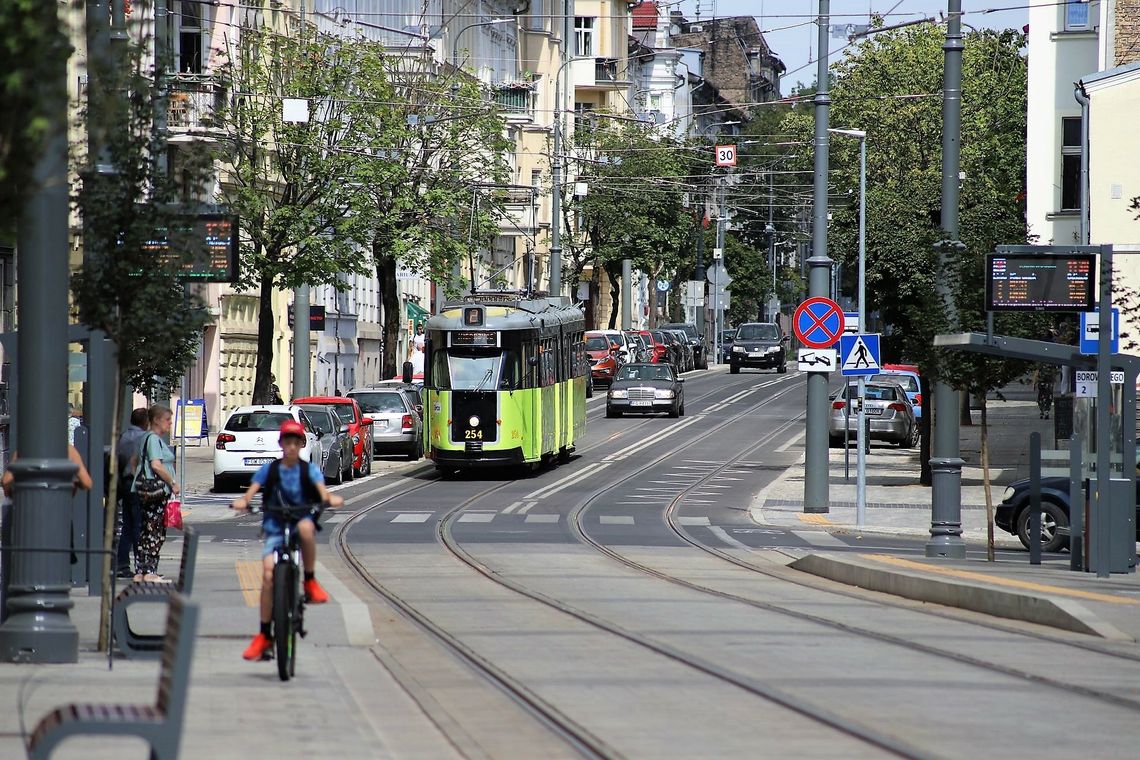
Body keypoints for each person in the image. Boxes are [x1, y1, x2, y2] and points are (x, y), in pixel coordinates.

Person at [231, 419, 343, 661]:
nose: (291, 447)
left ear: (301, 444)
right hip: (275, 525)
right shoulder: (270, 469)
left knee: (305, 528)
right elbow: (252, 490)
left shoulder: (308, 470)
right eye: (287, 442)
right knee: (269, 575)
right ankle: (263, 634)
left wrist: (329, 498)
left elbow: (321, 491)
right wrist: (244, 501)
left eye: (295, 442)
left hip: (299, 519)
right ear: (281, 444)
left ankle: (310, 581)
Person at [131, 404, 179, 583]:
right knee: (154, 531)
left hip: (146, 490)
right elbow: (156, 465)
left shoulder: (145, 438)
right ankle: (149, 571)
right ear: (157, 420)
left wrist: (140, 479)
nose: (170, 424)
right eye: (167, 420)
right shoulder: (153, 439)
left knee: (146, 530)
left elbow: (133, 461)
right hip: (156, 491)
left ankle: (141, 571)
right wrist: (172, 483)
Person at [115, 408, 149, 579]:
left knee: (127, 526)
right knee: (138, 526)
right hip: (137, 483)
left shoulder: (124, 437)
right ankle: (141, 565)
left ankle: (122, 564)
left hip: (125, 483)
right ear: (145, 422)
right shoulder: (143, 438)